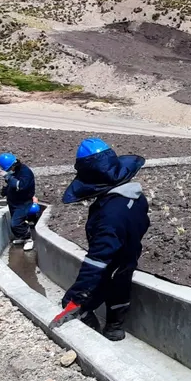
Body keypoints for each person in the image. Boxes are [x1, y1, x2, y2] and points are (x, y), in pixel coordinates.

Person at [50, 138, 148, 342]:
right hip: (128, 257)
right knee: (120, 291)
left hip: (108, 265)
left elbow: (97, 260)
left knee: (76, 302)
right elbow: (143, 225)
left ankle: (92, 338)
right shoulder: (136, 198)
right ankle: (114, 329)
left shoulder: (109, 215)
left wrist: (77, 296)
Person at [0, 153, 36, 249]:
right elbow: (10, 186)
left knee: (16, 223)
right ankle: (22, 237)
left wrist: (7, 177)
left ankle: (28, 238)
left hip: (23, 202)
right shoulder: (15, 171)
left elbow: (20, 186)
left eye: (8, 169)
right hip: (14, 202)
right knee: (15, 223)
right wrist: (3, 192)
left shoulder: (25, 172)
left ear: (13, 165)